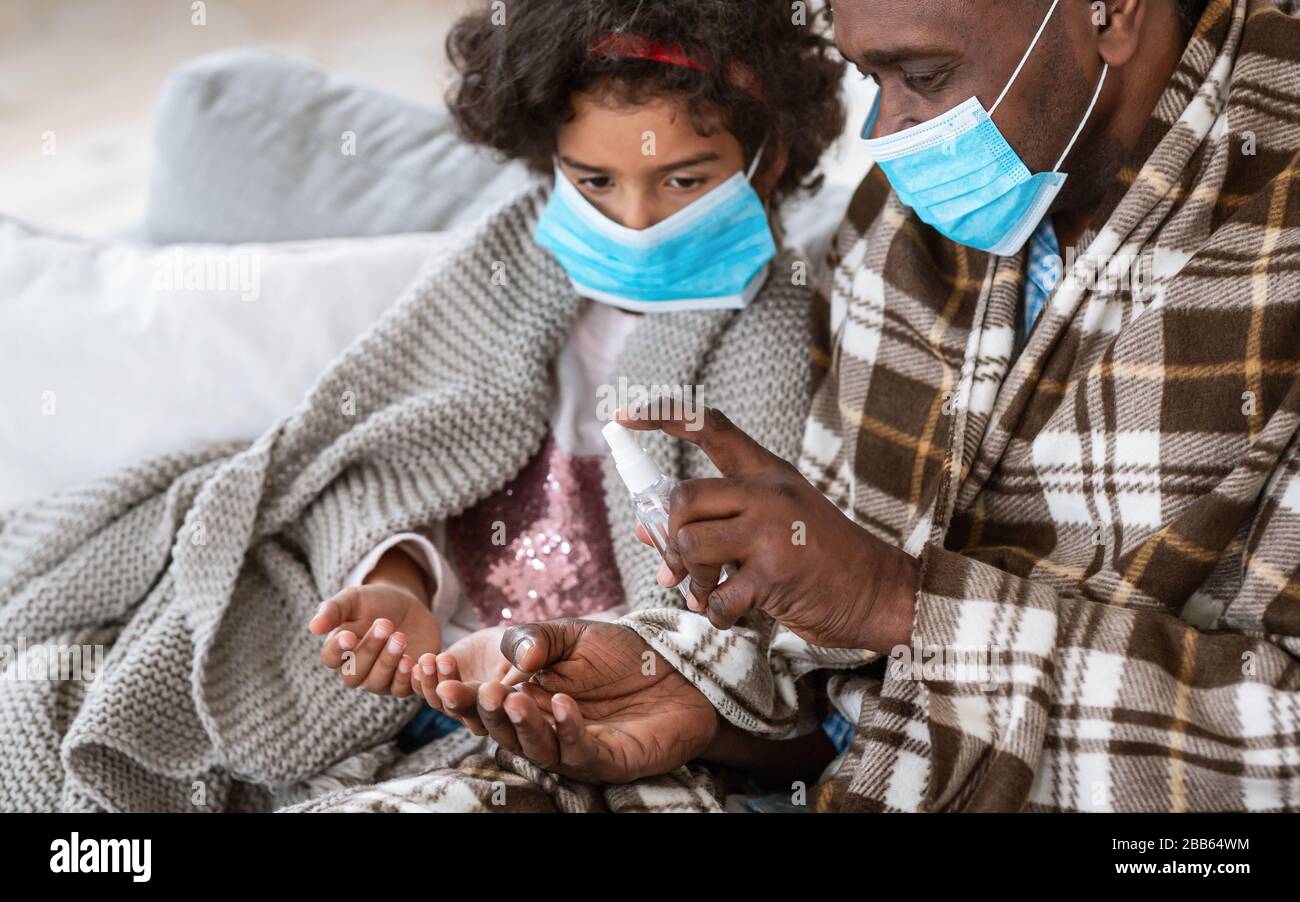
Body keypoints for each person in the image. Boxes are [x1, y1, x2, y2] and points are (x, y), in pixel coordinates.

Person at [433, 0, 1300, 812]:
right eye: (870, 78)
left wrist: (904, 602)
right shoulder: (907, 214)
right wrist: (693, 689)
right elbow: (837, 687)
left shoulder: (1271, 238)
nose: (884, 133)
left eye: (923, 76)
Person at [306, 0, 846, 784]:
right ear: (548, 155)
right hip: (426, 669)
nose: (635, 220)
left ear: (766, 156)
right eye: (595, 180)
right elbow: (373, 463)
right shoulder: (496, 273)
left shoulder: (785, 338)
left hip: (594, 706)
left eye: (683, 179)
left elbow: (764, 618)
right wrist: (399, 583)